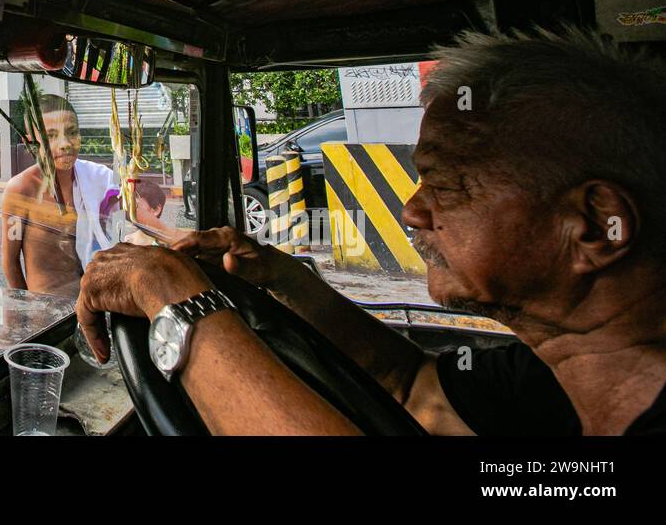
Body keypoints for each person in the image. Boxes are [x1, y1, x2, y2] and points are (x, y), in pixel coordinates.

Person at [76, 26, 666, 435]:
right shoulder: (556, 378)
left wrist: (176, 301)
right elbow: (413, 387)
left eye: (448, 183)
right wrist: (283, 278)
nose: (413, 210)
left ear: (595, 227)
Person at [1, 94, 116, 296]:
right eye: (51, 136)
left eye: (72, 132)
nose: (64, 143)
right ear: (30, 142)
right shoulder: (21, 189)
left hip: (93, 306)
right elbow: (10, 263)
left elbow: (134, 210)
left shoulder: (96, 178)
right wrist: (24, 312)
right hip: (45, 311)